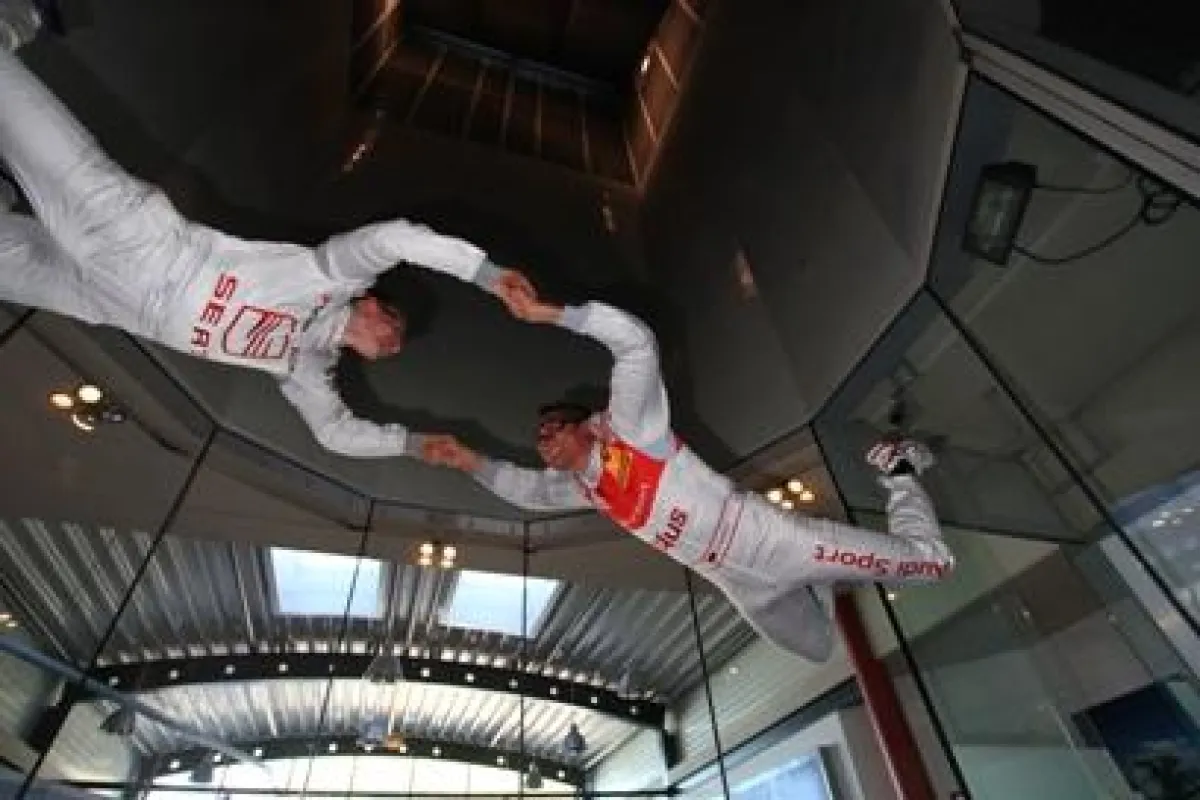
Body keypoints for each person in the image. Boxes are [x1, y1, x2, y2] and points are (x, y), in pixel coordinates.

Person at [0, 1, 531, 458]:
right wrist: (485, 274)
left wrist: (411, 445)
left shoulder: (308, 366)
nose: (396, 347)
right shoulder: (330, 280)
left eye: (395, 346)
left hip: (109, 303)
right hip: (141, 244)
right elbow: (389, 240)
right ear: (371, 304)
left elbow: (335, 433)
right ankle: (18, 18)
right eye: (397, 329)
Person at [418, 286, 956, 662]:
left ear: (586, 426)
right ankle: (825, 572)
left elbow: (636, 343)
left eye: (552, 428)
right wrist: (468, 461)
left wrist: (553, 313)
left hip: (774, 539)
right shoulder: (586, 486)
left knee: (931, 565)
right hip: (737, 581)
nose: (543, 441)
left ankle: (900, 468)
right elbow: (529, 492)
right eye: (539, 437)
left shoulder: (633, 432)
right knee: (818, 649)